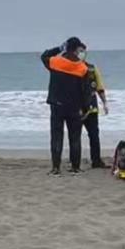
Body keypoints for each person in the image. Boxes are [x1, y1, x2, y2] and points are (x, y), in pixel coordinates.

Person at [40, 37, 90, 175]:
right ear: (76, 49)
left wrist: (58, 48)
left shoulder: (55, 62)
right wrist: (86, 108)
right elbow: (86, 92)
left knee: (56, 137)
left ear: (66, 47)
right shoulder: (82, 68)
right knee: (75, 138)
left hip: (57, 105)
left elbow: (44, 56)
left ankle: (56, 168)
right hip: (74, 107)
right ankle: (75, 167)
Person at [82, 62, 110, 168]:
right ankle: (74, 161)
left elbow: (99, 87)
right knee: (74, 136)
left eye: (83, 51)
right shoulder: (70, 67)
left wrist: (104, 102)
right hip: (76, 109)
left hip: (91, 108)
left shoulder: (92, 68)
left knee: (94, 135)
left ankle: (96, 160)